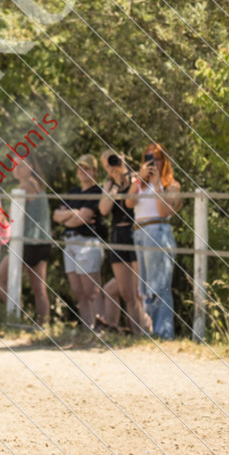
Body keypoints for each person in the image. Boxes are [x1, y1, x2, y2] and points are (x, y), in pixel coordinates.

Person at [126, 143, 182, 340]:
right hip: (139, 233)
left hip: (157, 231)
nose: (151, 162)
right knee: (145, 288)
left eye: (156, 158)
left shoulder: (171, 185)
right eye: (147, 157)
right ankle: (152, 332)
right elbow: (129, 202)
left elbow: (164, 211)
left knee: (159, 286)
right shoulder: (140, 183)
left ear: (164, 161)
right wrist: (140, 178)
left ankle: (164, 334)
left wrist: (157, 183)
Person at [96, 151, 151, 335]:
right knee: (127, 293)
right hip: (117, 235)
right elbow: (103, 210)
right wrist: (112, 190)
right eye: (107, 165)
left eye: (114, 161)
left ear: (122, 158)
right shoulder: (109, 185)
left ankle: (144, 333)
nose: (112, 167)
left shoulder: (136, 178)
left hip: (135, 233)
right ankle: (133, 333)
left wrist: (127, 173)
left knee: (138, 291)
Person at [0, 156, 52, 324]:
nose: (15, 169)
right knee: (39, 289)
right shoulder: (39, 185)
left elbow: (11, 216)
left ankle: (17, 317)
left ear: (30, 166)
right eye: (14, 165)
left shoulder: (26, 187)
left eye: (20, 165)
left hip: (28, 243)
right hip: (43, 241)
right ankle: (43, 324)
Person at [53, 154, 107, 330]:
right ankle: (87, 326)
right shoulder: (74, 192)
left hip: (88, 243)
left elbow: (82, 218)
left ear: (94, 171)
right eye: (80, 168)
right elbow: (56, 216)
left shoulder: (97, 191)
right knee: (79, 292)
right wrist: (72, 214)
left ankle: (101, 326)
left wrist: (68, 216)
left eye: (87, 168)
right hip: (70, 243)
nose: (82, 171)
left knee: (91, 290)